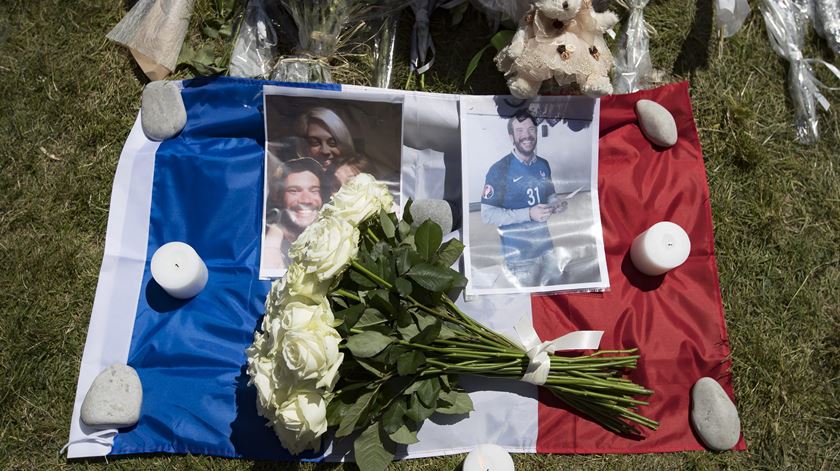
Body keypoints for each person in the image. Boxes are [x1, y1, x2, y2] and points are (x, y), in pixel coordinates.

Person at [480, 110, 567, 287]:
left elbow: (550, 194)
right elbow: (487, 215)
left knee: (559, 290)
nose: (526, 135)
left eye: (531, 130)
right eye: (519, 131)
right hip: (519, 258)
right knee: (529, 303)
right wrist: (528, 213)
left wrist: (555, 203)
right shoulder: (499, 170)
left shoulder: (543, 164)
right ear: (511, 136)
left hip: (547, 249)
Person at [262, 158, 326, 272]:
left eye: (314, 191)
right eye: (294, 191)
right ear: (279, 197)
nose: (306, 200)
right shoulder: (266, 243)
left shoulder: (333, 237)